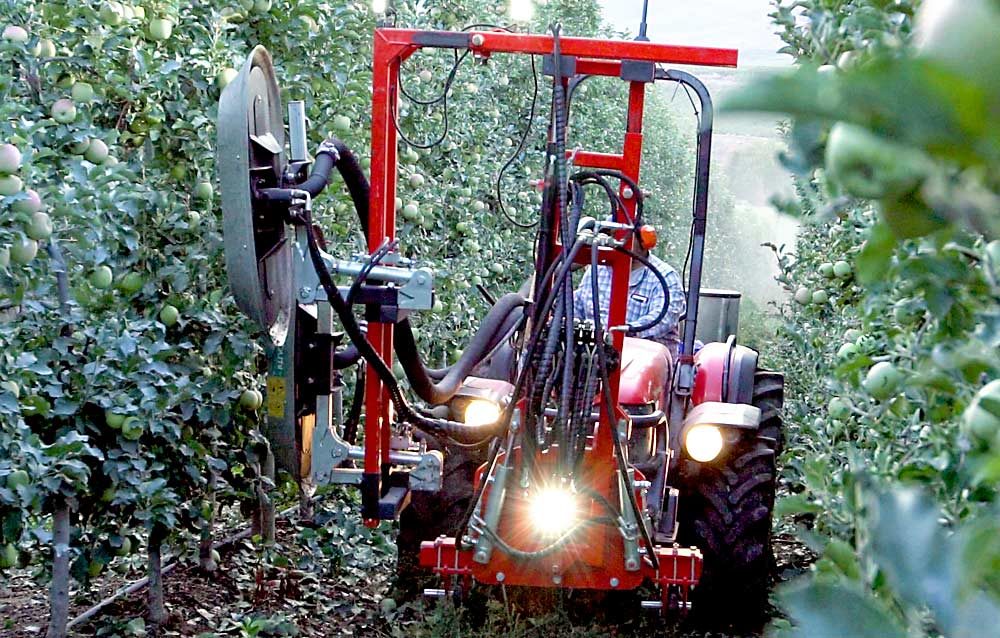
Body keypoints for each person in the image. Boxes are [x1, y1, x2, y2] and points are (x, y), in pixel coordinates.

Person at [573, 242, 686, 357]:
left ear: (643, 241)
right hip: (592, 357)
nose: (616, 242)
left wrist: (621, 333)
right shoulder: (596, 269)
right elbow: (576, 308)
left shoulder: (666, 277)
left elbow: (663, 320)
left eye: (625, 236)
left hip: (642, 359)